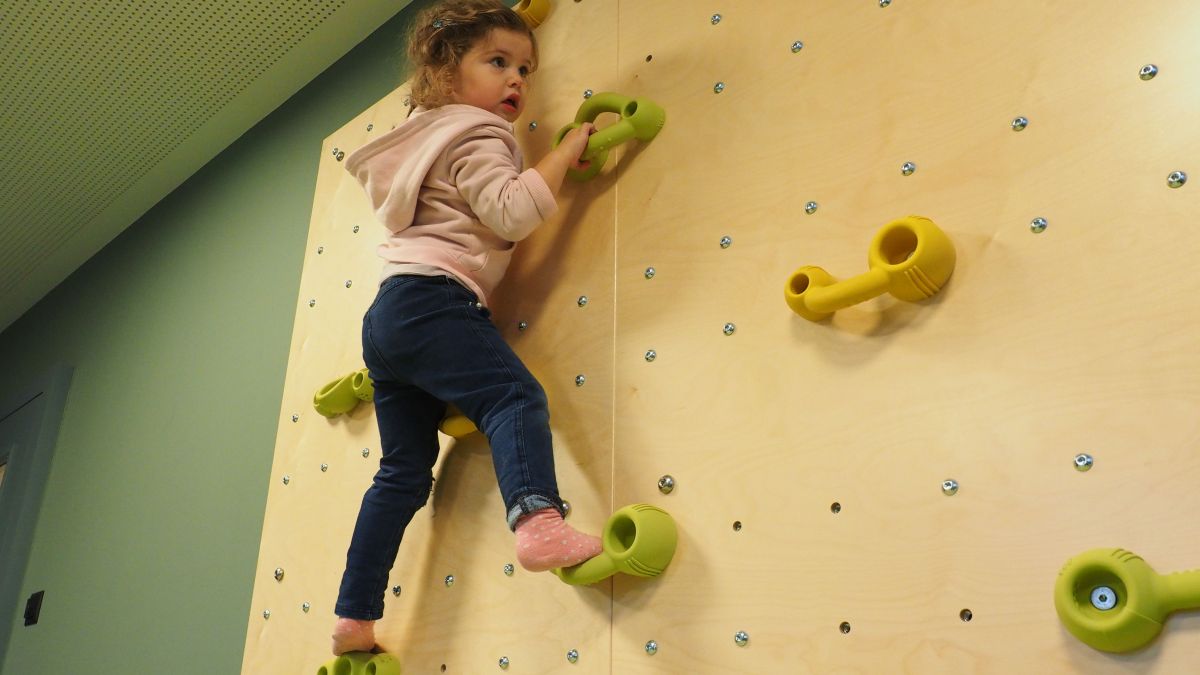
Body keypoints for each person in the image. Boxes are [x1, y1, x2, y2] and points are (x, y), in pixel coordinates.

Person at [330, 0, 603, 655]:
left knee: (401, 473)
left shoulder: (421, 138)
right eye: (498, 62)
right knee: (513, 396)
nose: (516, 80)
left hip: (389, 317)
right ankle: (537, 519)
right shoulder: (479, 134)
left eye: (526, 70)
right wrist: (565, 151)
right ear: (448, 72)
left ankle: (353, 616)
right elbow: (509, 212)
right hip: (433, 300)